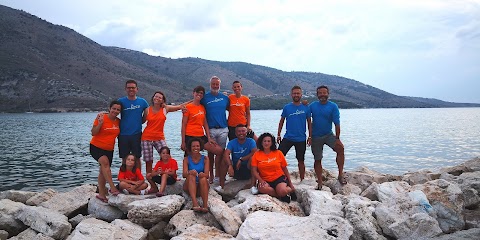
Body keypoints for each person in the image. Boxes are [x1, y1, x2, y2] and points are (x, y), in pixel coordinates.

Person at [142, 91, 190, 175]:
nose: (157, 98)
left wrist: (194, 100)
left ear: (162, 100)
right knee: (148, 161)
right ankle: (151, 183)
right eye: (156, 96)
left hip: (159, 137)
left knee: (166, 156)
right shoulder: (147, 110)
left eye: (159, 97)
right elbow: (141, 121)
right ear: (153, 97)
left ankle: (171, 176)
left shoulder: (165, 109)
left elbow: (179, 106)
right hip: (146, 138)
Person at [309, 85, 346, 189]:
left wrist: (337, 138)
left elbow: (337, 123)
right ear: (317, 95)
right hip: (316, 137)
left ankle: (340, 174)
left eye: (324, 93)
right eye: (320, 93)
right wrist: (310, 136)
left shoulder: (333, 106)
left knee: (340, 149)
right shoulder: (313, 106)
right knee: (317, 159)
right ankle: (320, 182)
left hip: (328, 135)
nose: (322, 95)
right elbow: (306, 118)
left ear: (328, 94)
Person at [277, 86, 312, 181]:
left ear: (301, 94)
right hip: (288, 137)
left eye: (298, 93)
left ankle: (302, 179)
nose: (296, 95)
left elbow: (309, 122)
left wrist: (310, 136)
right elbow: (281, 121)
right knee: (278, 157)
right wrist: (278, 134)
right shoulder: (287, 107)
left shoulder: (306, 107)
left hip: (301, 138)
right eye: (294, 93)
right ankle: (278, 177)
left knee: (301, 160)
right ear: (291, 94)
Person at [90, 101, 122, 202]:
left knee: (103, 171)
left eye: (118, 110)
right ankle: (112, 188)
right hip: (96, 147)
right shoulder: (101, 117)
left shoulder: (118, 121)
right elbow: (93, 133)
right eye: (114, 108)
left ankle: (102, 194)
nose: (115, 111)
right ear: (109, 108)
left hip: (109, 149)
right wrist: (100, 124)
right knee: (105, 164)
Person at [251, 133, 296, 203]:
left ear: (272, 143)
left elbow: (284, 168)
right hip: (265, 179)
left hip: (279, 178)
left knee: (282, 191)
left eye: (269, 141)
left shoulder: (278, 153)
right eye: (264, 141)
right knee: (262, 189)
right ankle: (281, 196)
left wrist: (290, 183)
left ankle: (290, 190)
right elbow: (254, 170)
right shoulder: (257, 154)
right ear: (261, 142)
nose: (266, 143)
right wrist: (261, 180)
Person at [200, 76, 229, 184]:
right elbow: (195, 102)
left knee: (221, 153)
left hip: (223, 129)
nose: (215, 86)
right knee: (211, 154)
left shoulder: (225, 98)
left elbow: (232, 109)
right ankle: (211, 176)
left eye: (217, 84)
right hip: (211, 129)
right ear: (210, 85)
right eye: (213, 84)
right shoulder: (205, 98)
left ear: (219, 85)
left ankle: (219, 175)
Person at [181, 86, 223, 157]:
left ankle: (215, 168)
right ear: (193, 93)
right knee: (189, 158)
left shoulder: (202, 107)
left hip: (200, 136)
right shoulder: (187, 107)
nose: (199, 94)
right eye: (197, 92)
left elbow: (205, 123)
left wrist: (209, 137)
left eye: (201, 93)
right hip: (189, 135)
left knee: (219, 151)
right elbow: (183, 125)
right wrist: (183, 142)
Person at [216, 124, 258, 194]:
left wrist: (242, 159)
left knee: (253, 158)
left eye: (243, 131)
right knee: (224, 160)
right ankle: (221, 186)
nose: (241, 133)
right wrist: (229, 165)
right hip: (236, 170)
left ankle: (253, 186)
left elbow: (255, 152)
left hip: (248, 169)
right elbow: (226, 153)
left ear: (246, 132)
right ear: (235, 133)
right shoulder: (232, 142)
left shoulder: (251, 141)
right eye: (239, 131)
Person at [118, 79, 149, 169]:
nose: (131, 89)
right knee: (124, 158)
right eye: (128, 88)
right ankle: (125, 177)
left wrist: (141, 121)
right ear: (125, 89)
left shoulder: (142, 102)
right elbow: (113, 112)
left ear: (137, 89)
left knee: (137, 157)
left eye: (133, 88)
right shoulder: (121, 101)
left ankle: (138, 178)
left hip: (136, 134)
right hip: (123, 134)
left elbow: (146, 114)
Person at [183, 138, 210, 213]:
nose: (195, 148)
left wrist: (203, 174)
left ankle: (205, 205)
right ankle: (195, 203)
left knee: (203, 178)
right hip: (190, 186)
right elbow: (184, 175)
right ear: (190, 148)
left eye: (197, 146)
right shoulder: (186, 159)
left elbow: (207, 175)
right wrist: (190, 172)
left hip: (201, 187)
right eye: (193, 146)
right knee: (191, 176)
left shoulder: (205, 158)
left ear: (200, 147)